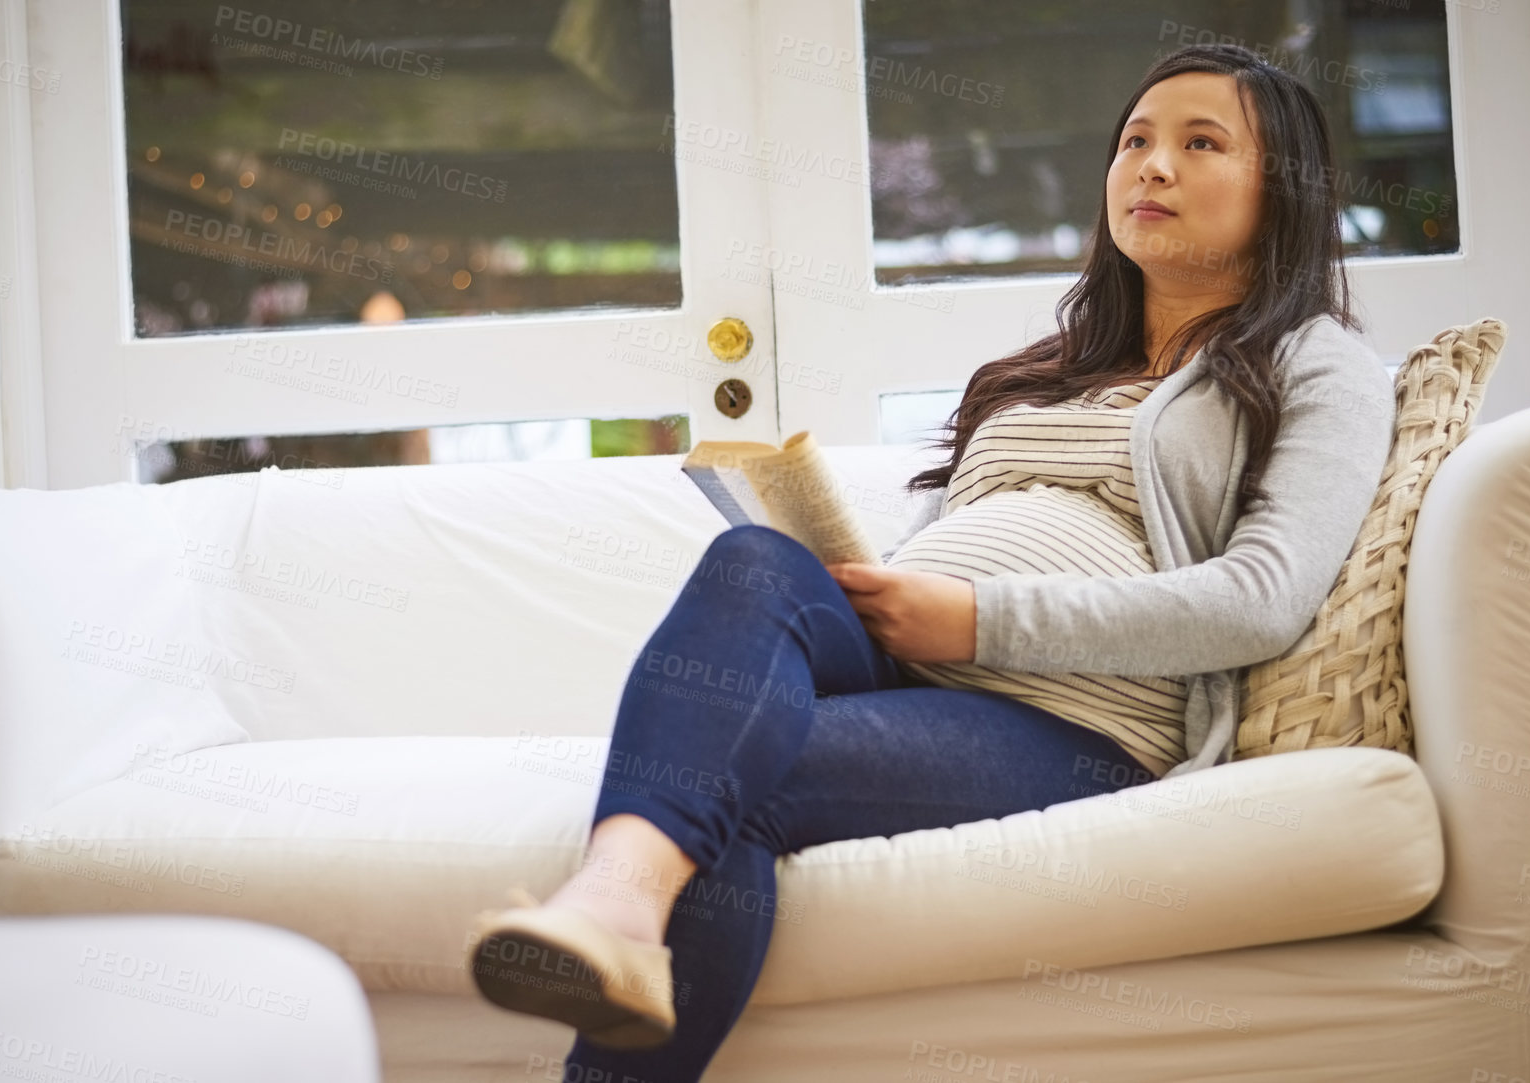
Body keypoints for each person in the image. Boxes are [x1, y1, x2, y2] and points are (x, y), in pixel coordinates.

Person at [464, 41, 1396, 1081]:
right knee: (756, 559)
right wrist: (891, 591)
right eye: (1134, 140)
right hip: (917, 666)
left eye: (1199, 143)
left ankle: (613, 910)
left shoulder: (1315, 363)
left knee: (721, 794)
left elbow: (1259, 602)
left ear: (1284, 192)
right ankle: (613, 909)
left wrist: (977, 622)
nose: (1152, 166)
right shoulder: (1043, 371)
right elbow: (963, 538)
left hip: (1081, 723)